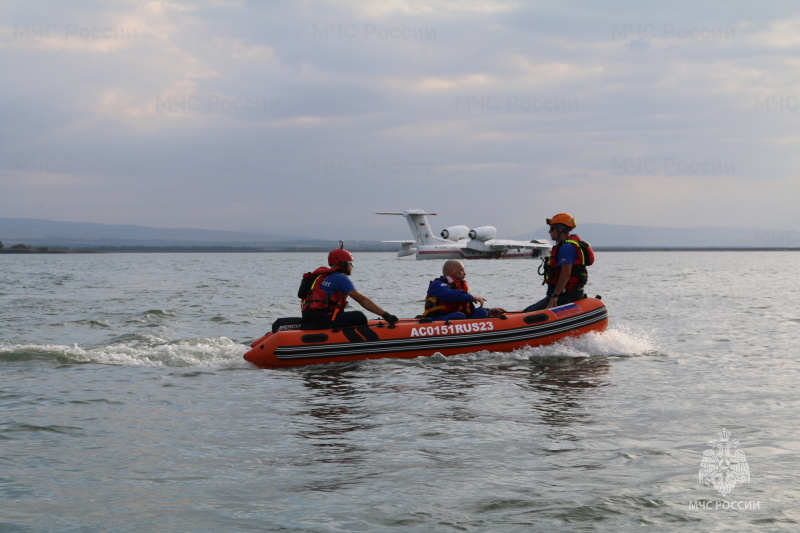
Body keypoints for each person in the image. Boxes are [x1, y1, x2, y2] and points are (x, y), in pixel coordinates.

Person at [300, 247, 399, 329]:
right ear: (343, 263)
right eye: (350, 262)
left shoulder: (320, 276)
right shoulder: (340, 278)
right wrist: (386, 315)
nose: (352, 265)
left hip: (310, 320)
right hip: (322, 320)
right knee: (358, 316)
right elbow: (361, 299)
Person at [524, 213, 593, 312]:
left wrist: (555, 295)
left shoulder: (566, 247)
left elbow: (566, 273)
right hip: (567, 293)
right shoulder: (564, 246)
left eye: (552, 228)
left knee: (528, 313)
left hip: (566, 295)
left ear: (561, 229)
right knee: (527, 311)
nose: (549, 231)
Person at [423, 259, 505, 321]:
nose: (465, 273)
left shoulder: (459, 285)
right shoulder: (437, 284)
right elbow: (451, 296)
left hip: (456, 314)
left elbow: (465, 308)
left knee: (482, 312)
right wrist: (472, 297)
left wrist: (489, 311)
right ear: (452, 271)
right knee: (459, 315)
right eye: (462, 270)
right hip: (437, 317)